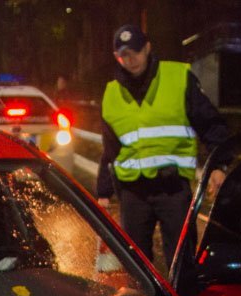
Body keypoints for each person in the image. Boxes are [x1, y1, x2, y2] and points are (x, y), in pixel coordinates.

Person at [96, 24, 229, 271]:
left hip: (173, 190)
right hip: (133, 193)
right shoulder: (112, 94)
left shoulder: (177, 79)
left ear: (147, 48)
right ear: (117, 57)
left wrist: (219, 165)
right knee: (137, 266)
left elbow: (210, 124)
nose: (131, 59)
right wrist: (103, 193)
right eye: (124, 54)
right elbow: (110, 149)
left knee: (182, 262)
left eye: (135, 51)